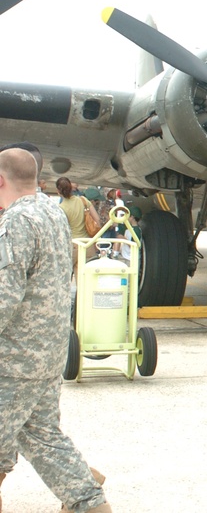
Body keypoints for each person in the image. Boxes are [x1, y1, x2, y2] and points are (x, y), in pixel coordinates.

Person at [0, 148, 112, 512]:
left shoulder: (16, 222)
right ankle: (89, 501)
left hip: (15, 359)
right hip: (48, 351)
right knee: (42, 436)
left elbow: (5, 295)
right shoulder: (52, 211)